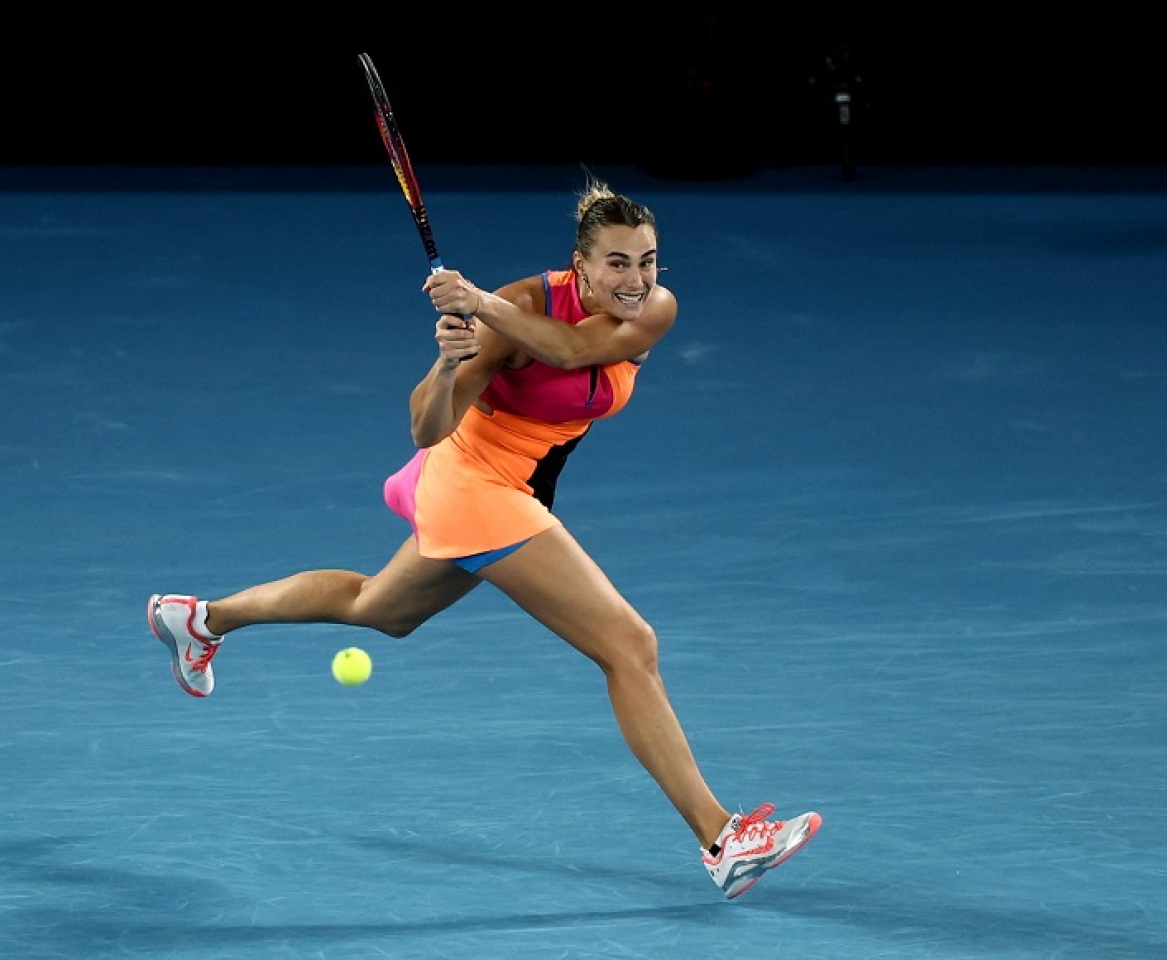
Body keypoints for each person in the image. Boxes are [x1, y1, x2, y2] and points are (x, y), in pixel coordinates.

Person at [146, 174, 821, 899]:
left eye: (647, 261)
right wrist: (449, 361)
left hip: (517, 486)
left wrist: (480, 304)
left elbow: (568, 351)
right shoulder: (514, 314)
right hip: (473, 483)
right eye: (617, 263)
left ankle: (199, 619)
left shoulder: (652, 309)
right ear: (580, 265)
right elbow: (426, 428)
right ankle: (721, 837)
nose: (635, 279)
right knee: (630, 645)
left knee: (380, 609)